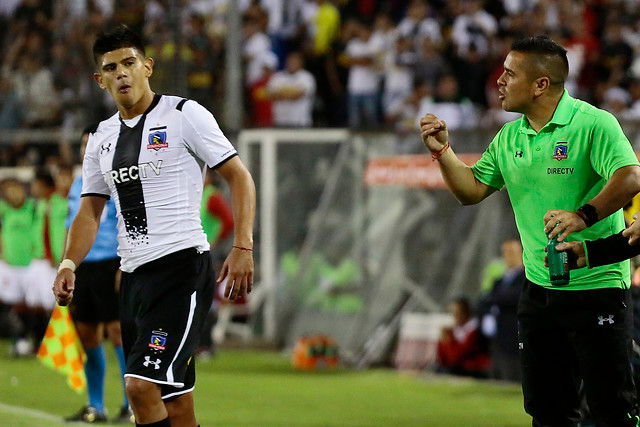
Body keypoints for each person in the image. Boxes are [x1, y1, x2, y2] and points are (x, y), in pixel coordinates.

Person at [419, 35, 640, 426]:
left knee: (612, 411)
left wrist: (583, 216)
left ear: (540, 85)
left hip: (598, 289)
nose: (499, 81)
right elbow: (471, 190)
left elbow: (630, 175)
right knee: (548, 412)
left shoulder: (593, 123)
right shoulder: (509, 136)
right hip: (538, 292)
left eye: (509, 73)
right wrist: (443, 152)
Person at [52, 25, 256, 427]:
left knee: (139, 388)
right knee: (177, 405)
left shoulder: (185, 115)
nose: (122, 73)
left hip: (180, 269)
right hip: (132, 279)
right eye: (111, 68)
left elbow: (239, 177)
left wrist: (243, 245)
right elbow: (90, 211)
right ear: (100, 79)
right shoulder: (101, 138)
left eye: (129, 63)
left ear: (147, 67)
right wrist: (68, 264)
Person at [64, 125, 132, 424]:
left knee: (118, 332)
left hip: (110, 263)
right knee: (87, 334)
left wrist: (123, 265)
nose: (85, 149)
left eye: (90, 144)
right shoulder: (77, 182)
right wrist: (66, 263)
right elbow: (72, 225)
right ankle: (96, 406)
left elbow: (126, 225)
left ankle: (130, 404)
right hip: (83, 267)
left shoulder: (116, 181)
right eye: (82, 144)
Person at [480, 238, 525, 382]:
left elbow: (514, 298)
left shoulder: (526, 277)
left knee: (515, 371)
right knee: (499, 370)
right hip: (499, 333)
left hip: (516, 330)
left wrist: (494, 300)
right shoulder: (499, 280)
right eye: (505, 252)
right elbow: (484, 301)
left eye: (512, 251)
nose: (508, 255)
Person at [435, 297, 490, 378]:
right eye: (452, 312)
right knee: (437, 369)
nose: (454, 316)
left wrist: (448, 339)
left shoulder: (474, 331)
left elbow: (455, 358)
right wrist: (442, 339)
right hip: (458, 367)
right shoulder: (455, 331)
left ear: (466, 313)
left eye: (457, 312)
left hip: (473, 369)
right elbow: (442, 359)